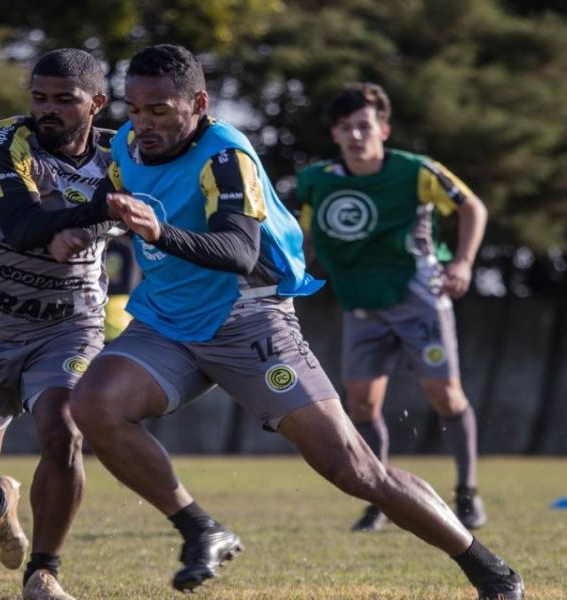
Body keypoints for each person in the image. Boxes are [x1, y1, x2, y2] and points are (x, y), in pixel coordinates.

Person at [65, 45, 523, 599]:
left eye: (160, 110)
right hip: (167, 323)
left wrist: (158, 234)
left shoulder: (225, 155)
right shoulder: (125, 147)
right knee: (94, 404)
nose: (144, 124)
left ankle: (489, 569)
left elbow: (237, 249)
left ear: (199, 102)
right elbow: (104, 198)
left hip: (250, 320)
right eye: (134, 110)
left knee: (354, 470)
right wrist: (70, 226)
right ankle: (199, 527)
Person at [0, 48, 120, 600]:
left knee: (64, 428)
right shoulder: (4, 142)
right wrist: (94, 216)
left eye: (64, 101)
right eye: (39, 98)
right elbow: (18, 223)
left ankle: (44, 572)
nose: (48, 110)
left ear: (96, 103)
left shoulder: (125, 158)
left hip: (69, 325)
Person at [295, 82, 491, 532]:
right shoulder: (316, 182)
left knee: (444, 395)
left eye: (364, 126)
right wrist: (288, 283)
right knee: (361, 403)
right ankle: (378, 497)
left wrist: (462, 262)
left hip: (419, 300)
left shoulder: (417, 171)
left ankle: (467, 493)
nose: (356, 135)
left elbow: (472, 208)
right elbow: (306, 240)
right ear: (336, 134)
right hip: (360, 304)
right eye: (346, 128)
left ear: (383, 129)